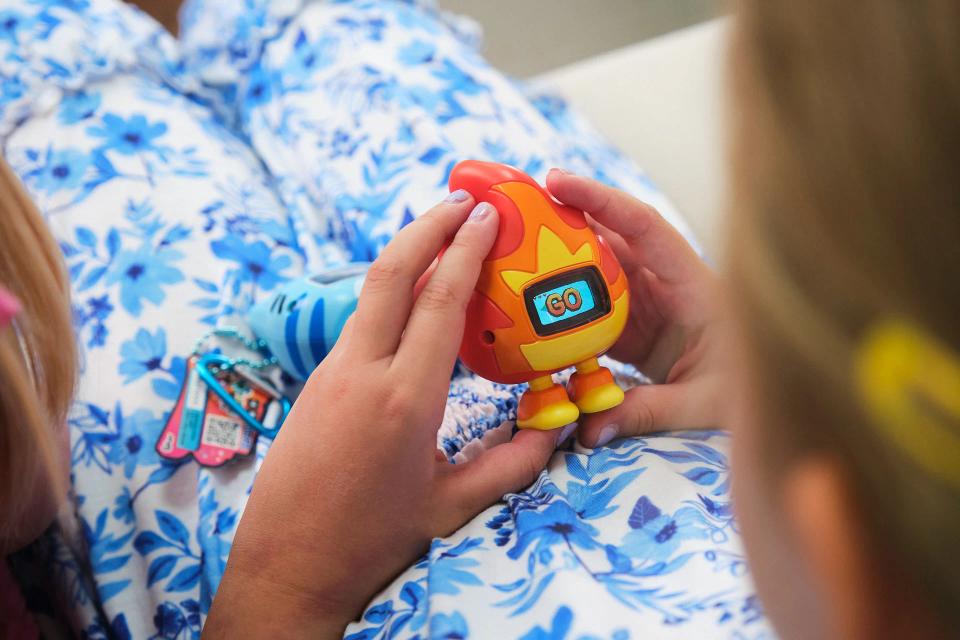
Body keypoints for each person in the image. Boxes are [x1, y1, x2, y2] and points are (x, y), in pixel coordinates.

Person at [2, 2, 956, 640]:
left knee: (75, 119)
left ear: (849, 554)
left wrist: (284, 593)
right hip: (596, 376)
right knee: (365, 55)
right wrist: (743, 375)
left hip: (270, 523)